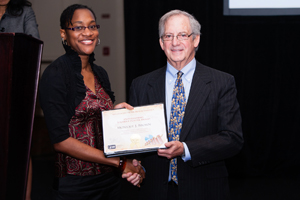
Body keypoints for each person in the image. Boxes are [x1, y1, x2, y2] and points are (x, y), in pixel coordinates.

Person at [126, 9, 243, 200]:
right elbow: (135, 143)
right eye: (168, 36)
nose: (175, 42)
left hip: (204, 189)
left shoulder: (222, 82)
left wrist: (186, 149)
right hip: (154, 190)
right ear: (161, 43)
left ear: (195, 40)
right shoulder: (140, 85)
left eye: (182, 35)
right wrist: (133, 164)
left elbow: (232, 138)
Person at [39, 4, 144, 199]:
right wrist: (119, 163)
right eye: (78, 27)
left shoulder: (100, 73)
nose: (87, 32)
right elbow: (61, 141)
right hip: (74, 185)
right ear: (64, 34)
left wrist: (113, 113)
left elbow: (91, 120)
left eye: (92, 26)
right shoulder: (55, 74)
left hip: (109, 181)